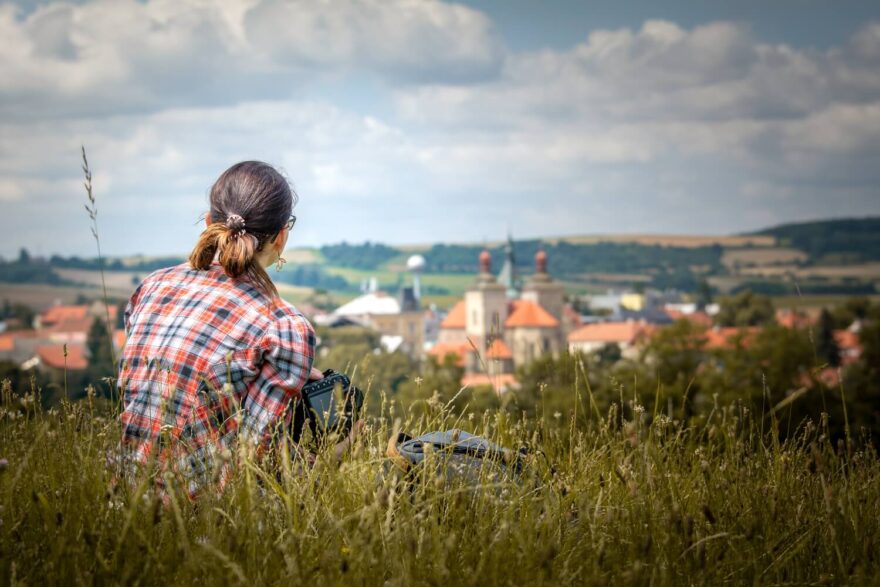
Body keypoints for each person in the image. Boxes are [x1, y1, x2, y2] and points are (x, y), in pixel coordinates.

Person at [116, 161, 355, 497]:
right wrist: (338, 454)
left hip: (122, 501)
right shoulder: (284, 327)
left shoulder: (153, 287)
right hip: (196, 524)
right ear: (281, 237)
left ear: (210, 222)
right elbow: (249, 471)